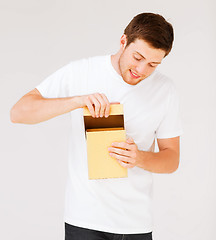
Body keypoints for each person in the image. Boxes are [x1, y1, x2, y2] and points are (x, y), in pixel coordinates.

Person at [10, 12, 183, 240]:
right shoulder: (82, 72)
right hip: (84, 220)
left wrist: (139, 157)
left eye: (152, 64)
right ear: (123, 41)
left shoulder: (165, 89)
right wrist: (78, 101)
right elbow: (18, 112)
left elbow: (171, 160)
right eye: (137, 57)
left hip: (135, 224)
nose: (141, 70)